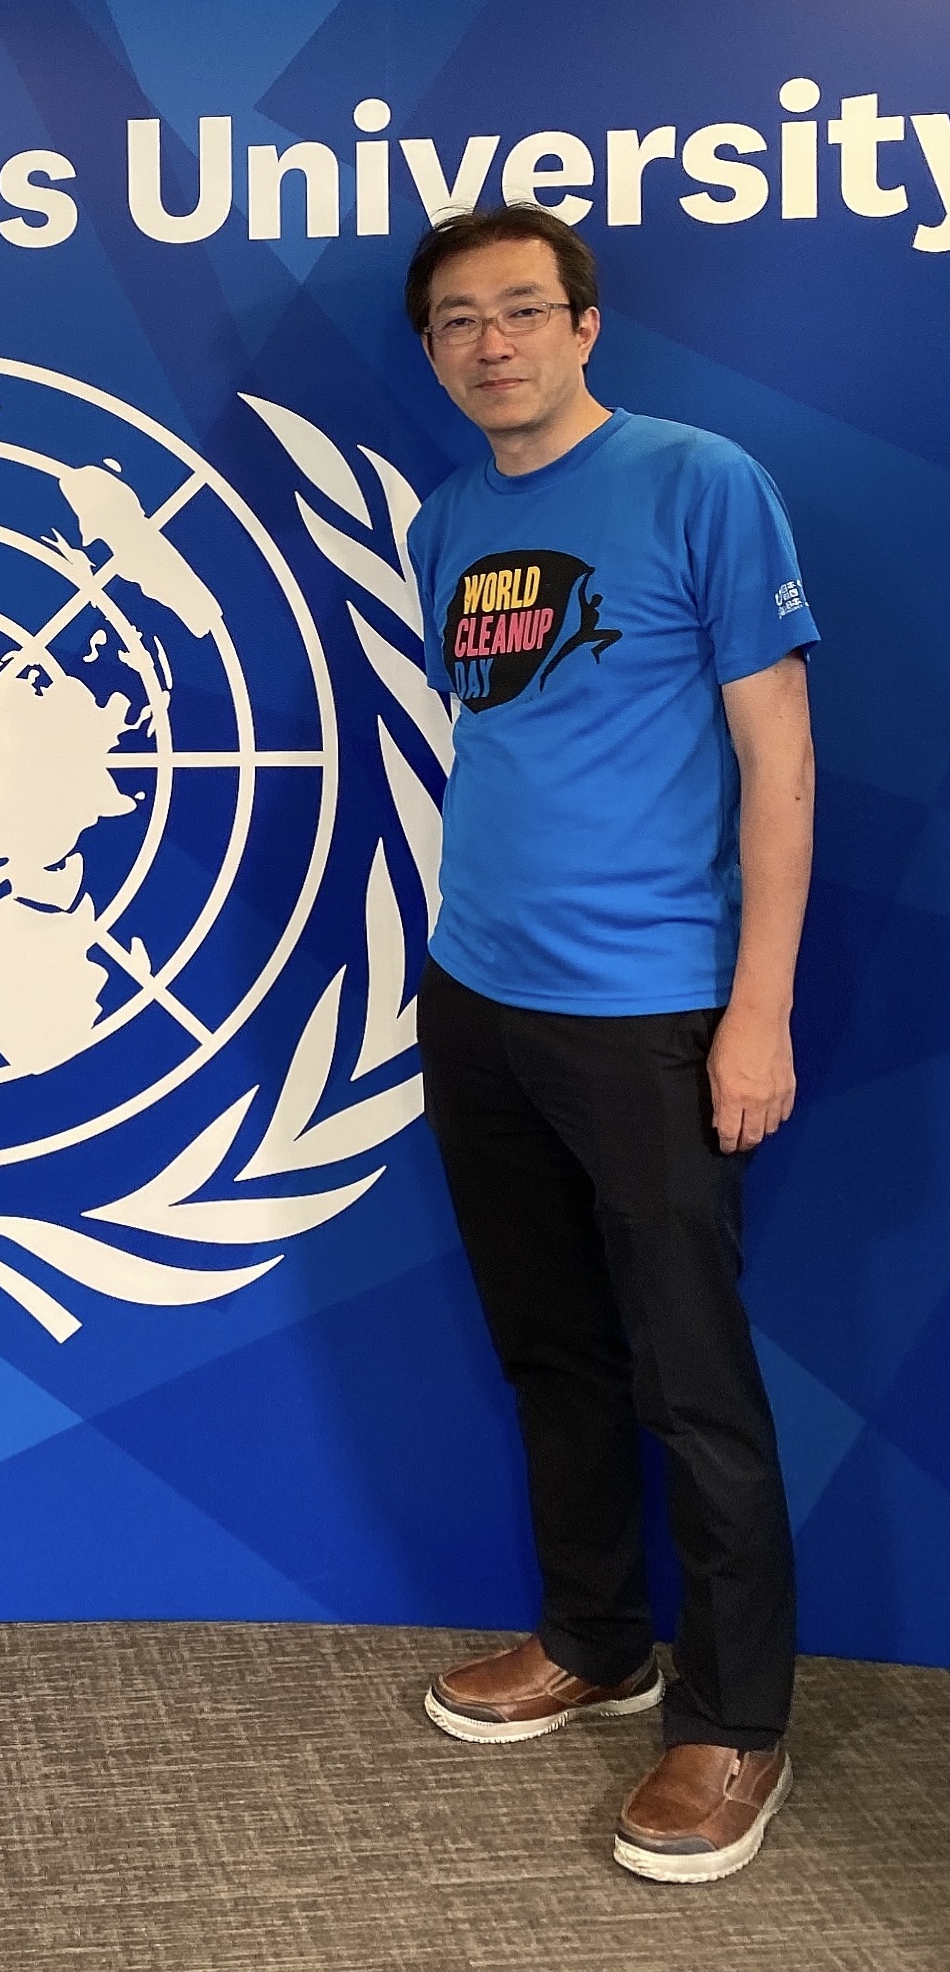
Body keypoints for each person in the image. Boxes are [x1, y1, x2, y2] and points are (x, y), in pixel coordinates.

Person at [402, 206, 816, 1883]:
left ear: (584, 326)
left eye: (520, 309)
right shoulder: (442, 523)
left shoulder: (696, 482)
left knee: (692, 1385)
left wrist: (755, 1009)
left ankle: (731, 1723)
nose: (489, 343)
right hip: (474, 998)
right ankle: (592, 1638)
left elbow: (778, 757)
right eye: (455, 320)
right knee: (549, 1349)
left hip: (650, 1009)